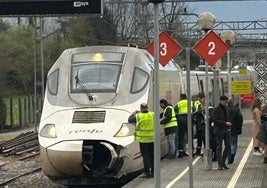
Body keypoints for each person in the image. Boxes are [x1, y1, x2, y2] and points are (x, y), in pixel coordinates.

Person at [128, 103, 154, 178]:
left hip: (143, 140)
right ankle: (153, 172)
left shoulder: (138, 116)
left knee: (146, 156)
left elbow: (130, 120)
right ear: (147, 107)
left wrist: (133, 113)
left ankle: (147, 172)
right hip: (152, 138)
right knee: (152, 156)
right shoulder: (152, 114)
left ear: (141, 108)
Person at [213, 95, 232, 170]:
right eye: (225, 102)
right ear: (221, 100)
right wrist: (225, 123)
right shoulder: (216, 109)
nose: (226, 103)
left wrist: (228, 126)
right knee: (219, 147)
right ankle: (220, 164)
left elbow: (228, 118)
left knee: (228, 145)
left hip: (226, 130)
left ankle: (223, 162)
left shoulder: (226, 109)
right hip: (219, 130)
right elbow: (215, 120)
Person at [174, 93, 191, 158]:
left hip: (181, 122)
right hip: (189, 121)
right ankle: (191, 152)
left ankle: (181, 152)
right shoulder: (190, 103)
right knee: (190, 137)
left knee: (181, 137)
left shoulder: (179, 103)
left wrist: (179, 116)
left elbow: (175, 112)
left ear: (180, 97)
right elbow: (194, 111)